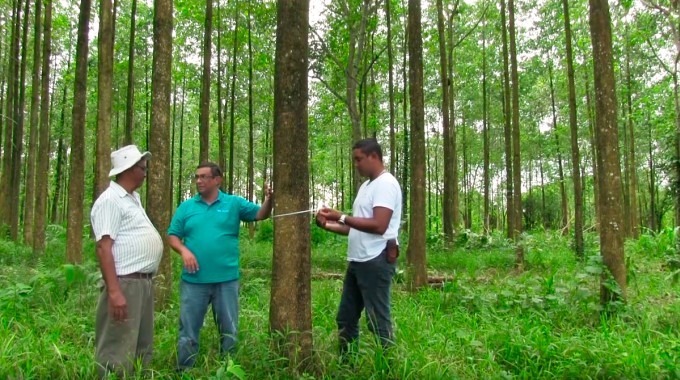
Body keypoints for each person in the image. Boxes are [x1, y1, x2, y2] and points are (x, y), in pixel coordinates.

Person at [168, 162, 273, 370]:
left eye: (204, 176)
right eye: (197, 177)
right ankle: (184, 371)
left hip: (226, 280)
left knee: (229, 330)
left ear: (217, 180)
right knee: (188, 331)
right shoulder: (186, 207)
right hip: (194, 281)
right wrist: (184, 250)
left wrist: (270, 199)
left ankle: (228, 369)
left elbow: (260, 214)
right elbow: (173, 236)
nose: (199, 181)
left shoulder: (233, 203)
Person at [316, 138, 403, 359]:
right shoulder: (366, 186)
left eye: (359, 159)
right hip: (357, 261)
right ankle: (348, 365)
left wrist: (341, 216)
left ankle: (388, 366)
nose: (356, 164)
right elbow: (355, 228)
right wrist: (328, 224)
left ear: (374, 156)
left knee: (377, 319)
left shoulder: (386, 184)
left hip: (376, 260)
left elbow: (379, 225)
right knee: (345, 318)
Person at [90, 145, 164, 378]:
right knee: (116, 348)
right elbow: (104, 247)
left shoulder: (132, 199)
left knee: (141, 346)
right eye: (141, 168)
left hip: (141, 284)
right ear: (127, 170)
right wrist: (114, 292)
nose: (145, 172)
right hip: (124, 283)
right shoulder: (110, 200)